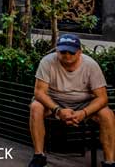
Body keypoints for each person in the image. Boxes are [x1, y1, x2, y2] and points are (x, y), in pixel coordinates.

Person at [28, 34, 115, 167]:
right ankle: (39, 156)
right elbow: (39, 92)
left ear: (79, 52)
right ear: (57, 50)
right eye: (63, 51)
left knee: (107, 114)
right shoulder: (47, 62)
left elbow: (102, 98)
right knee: (36, 107)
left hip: (84, 104)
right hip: (55, 102)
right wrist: (58, 110)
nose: (67, 55)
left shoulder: (90, 65)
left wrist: (83, 113)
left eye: (71, 52)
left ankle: (109, 162)